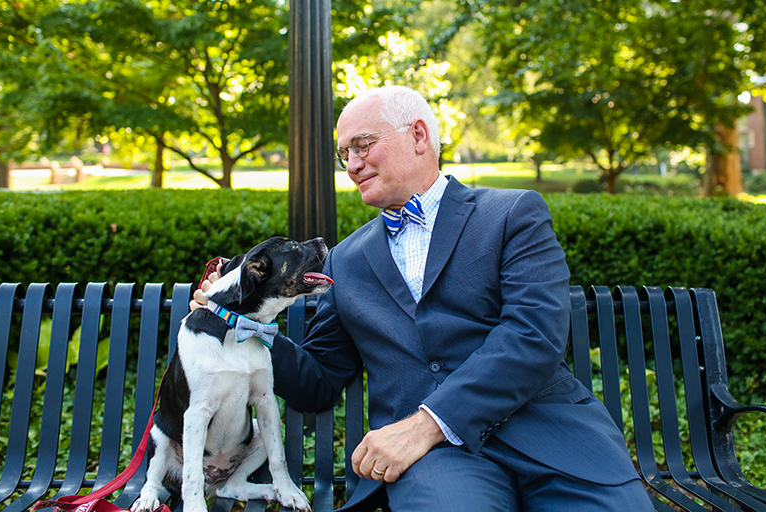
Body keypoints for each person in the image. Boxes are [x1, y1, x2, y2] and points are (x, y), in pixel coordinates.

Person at [193, 86, 654, 511]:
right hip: (438, 463)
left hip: (550, 438)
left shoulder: (513, 213)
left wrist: (425, 424)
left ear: (417, 135)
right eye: (344, 154)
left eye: (362, 145)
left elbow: (533, 335)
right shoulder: (345, 261)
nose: (352, 165)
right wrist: (240, 320)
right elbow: (319, 380)